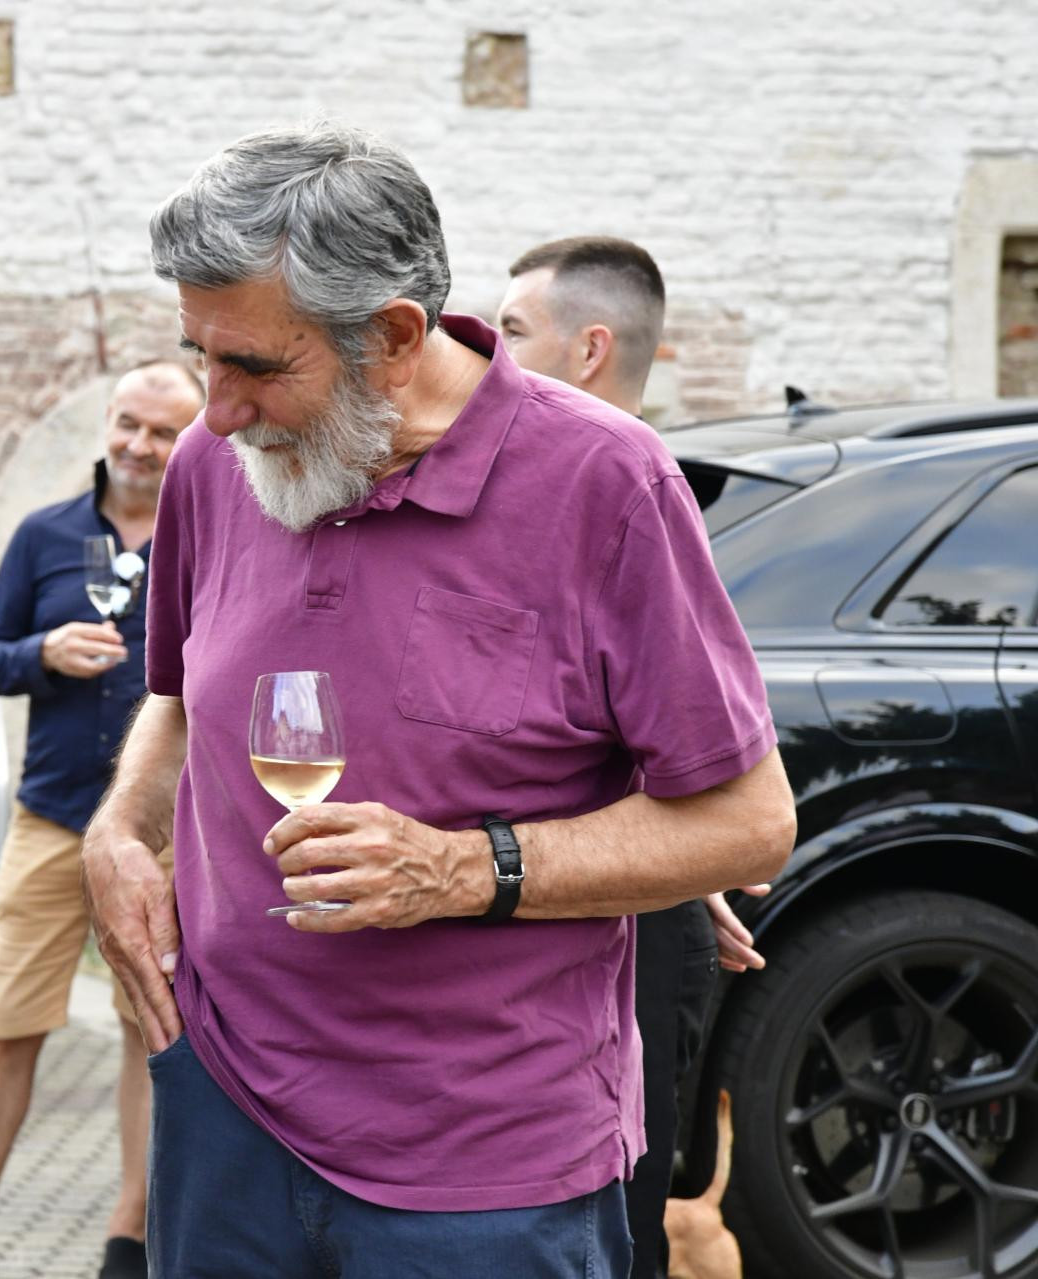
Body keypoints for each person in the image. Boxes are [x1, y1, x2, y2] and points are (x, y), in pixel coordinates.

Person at [80, 123, 797, 1278]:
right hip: (224, 1123)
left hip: (485, 1177)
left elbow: (748, 823)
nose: (215, 410)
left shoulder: (606, 483)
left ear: (396, 338)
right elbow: (174, 699)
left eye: (255, 365)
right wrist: (117, 834)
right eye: (199, 353)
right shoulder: (219, 466)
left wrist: (463, 869)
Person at [499, 234, 770, 1279]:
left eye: (512, 330)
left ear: (590, 350)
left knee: (618, 1228)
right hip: (604, 902)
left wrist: (680, 872)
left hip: (625, 929)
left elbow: (709, 750)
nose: (486, 355)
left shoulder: (632, 489)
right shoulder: (546, 487)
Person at [0, 362, 205, 1279]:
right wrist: (43, 650)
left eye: (163, 432)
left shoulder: (212, 531)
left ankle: (130, 1231)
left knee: (147, 1024)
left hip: (168, 831)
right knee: (5, 1019)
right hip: (50, 819)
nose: (139, 445)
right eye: (128, 423)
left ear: (193, 439)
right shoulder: (45, 534)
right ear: (109, 421)